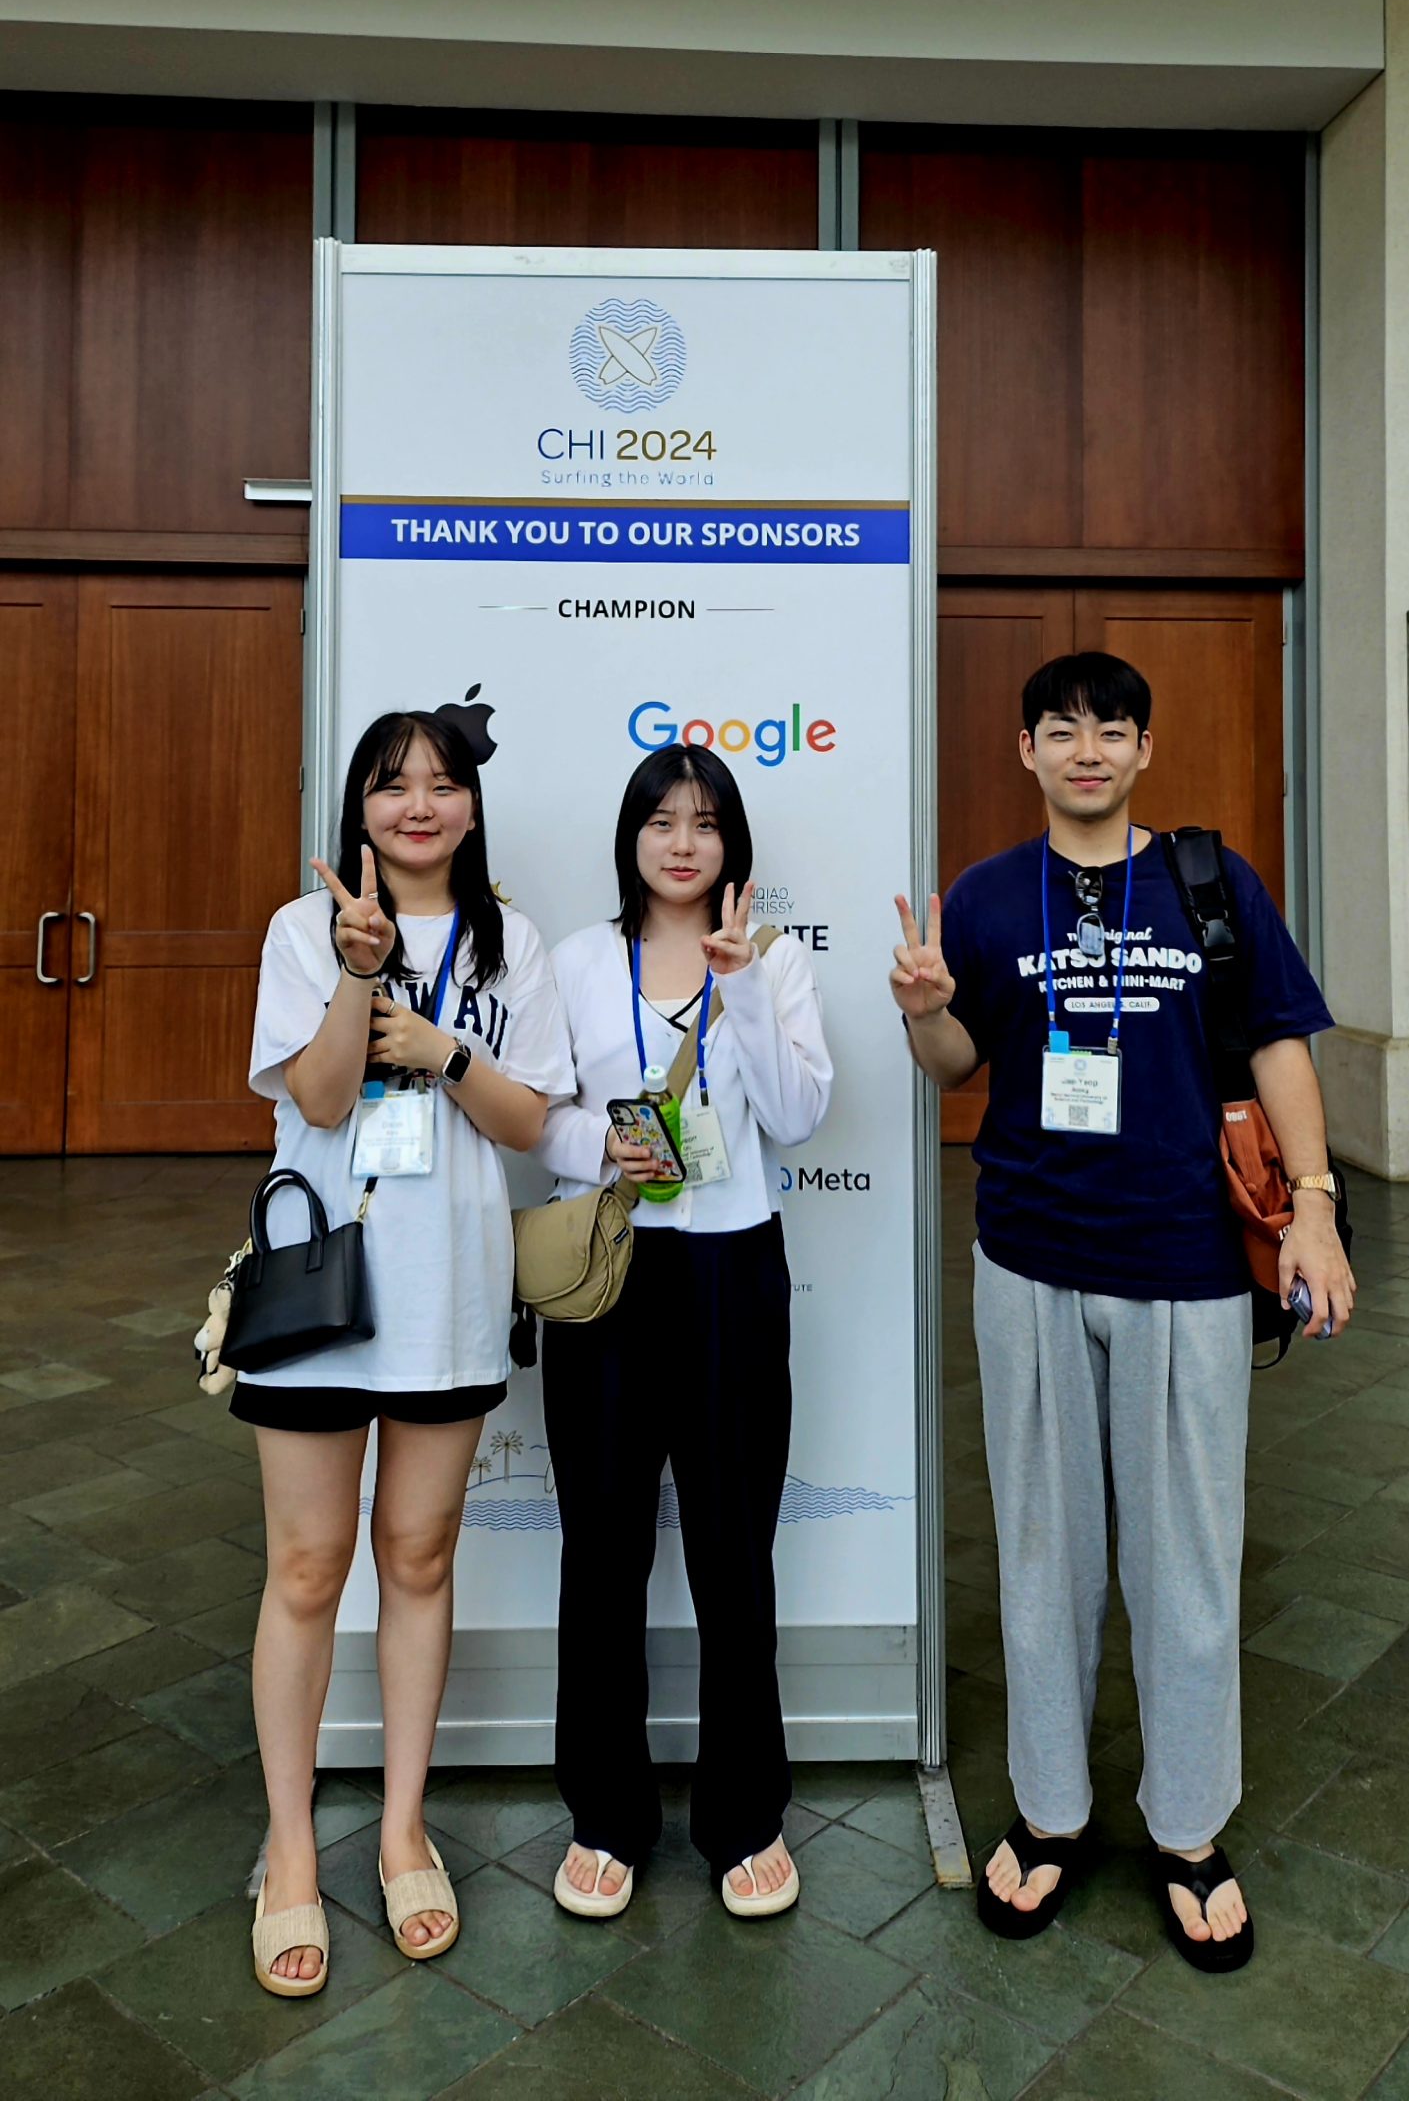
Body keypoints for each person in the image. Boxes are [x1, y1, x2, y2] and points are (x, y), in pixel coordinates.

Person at [891, 652, 1354, 1974]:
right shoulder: (988, 896)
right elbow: (957, 1064)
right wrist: (924, 1013)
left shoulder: (1210, 882)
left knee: (1186, 1564)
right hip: (1029, 1256)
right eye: (1060, 730)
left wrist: (1313, 1205)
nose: (1085, 751)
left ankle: (1188, 1828)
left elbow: (1275, 1042)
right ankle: (1048, 1813)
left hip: (1184, 1262)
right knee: (1042, 1554)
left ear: (1144, 749)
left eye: (1109, 731)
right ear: (1025, 750)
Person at [236, 708, 572, 1997]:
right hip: (318, 1297)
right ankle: (289, 1847)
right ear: (360, 807)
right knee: (306, 1566)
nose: (417, 805)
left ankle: (399, 1828)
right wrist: (357, 971)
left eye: (440, 784)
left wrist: (445, 1049)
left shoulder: (511, 941)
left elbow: (528, 1121)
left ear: (470, 808)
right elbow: (320, 1099)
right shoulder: (300, 928)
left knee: (419, 1557)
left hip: (447, 1298)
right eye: (391, 785)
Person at [537, 744, 832, 1921]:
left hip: (730, 1272)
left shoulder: (774, 959)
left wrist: (742, 984)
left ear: (731, 844)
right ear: (631, 837)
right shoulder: (575, 961)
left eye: (704, 822)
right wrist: (598, 1145)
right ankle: (605, 1814)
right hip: (612, 1272)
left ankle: (744, 1813)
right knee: (602, 1550)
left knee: (731, 1549)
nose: (681, 842)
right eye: (660, 820)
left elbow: (797, 1115)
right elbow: (537, 1115)